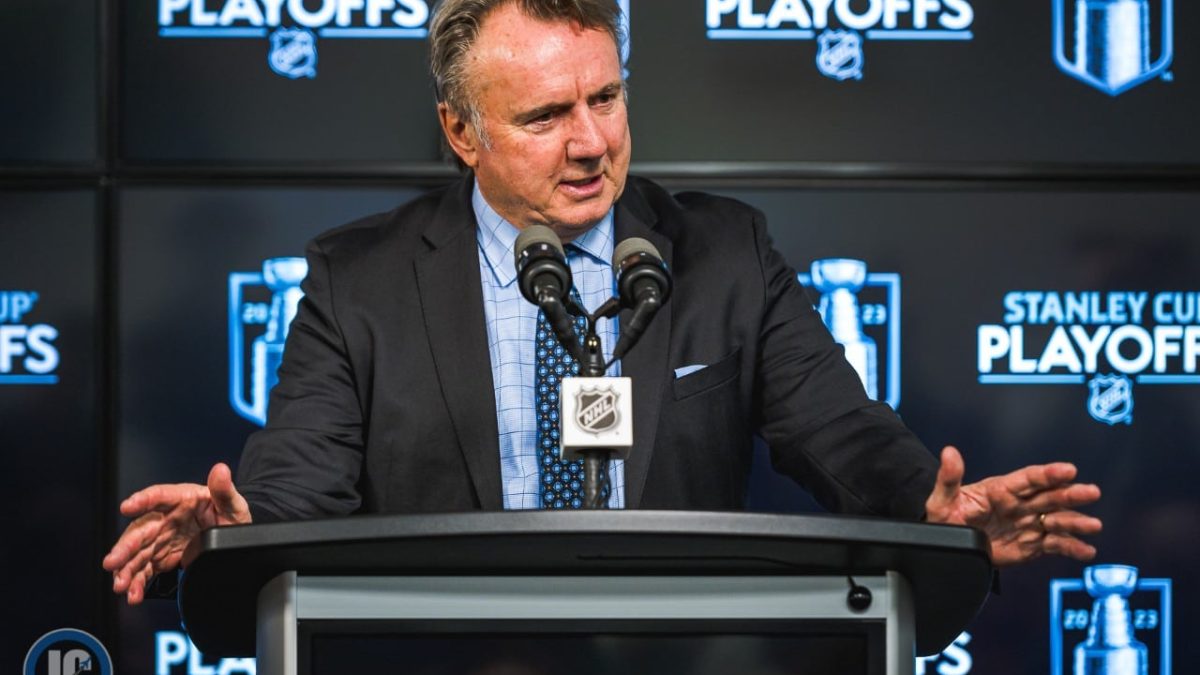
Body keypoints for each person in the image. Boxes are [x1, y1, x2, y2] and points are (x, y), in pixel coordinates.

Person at [104, 0, 1102, 605]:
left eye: (607, 98)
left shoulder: (724, 253)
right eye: (545, 115)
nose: (591, 143)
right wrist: (236, 528)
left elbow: (841, 432)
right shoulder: (358, 277)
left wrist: (931, 507)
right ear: (462, 132)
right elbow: (297, 481)